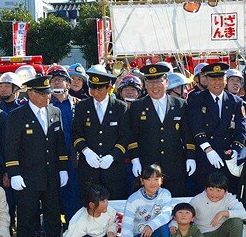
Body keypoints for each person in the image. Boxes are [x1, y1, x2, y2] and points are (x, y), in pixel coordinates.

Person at [4, 75, 69, 237]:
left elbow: (60, 144)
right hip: (27, 177)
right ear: (31, 94)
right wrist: (14, 172)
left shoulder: (55, 111)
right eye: (42, 94)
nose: (47, 97)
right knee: (26, 219)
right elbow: (11, 146)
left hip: (50, 175)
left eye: (48, 93)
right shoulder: (17, 115)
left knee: (53, 216)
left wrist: (63, 168)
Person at [126, 63, 195, 197]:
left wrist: (190, 157)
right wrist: (135, 159)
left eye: (158, 81)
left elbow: (187, 135)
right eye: (150, 82)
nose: (155, 86)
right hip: (148, 167)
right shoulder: (137, 106)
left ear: (166, 82)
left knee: (176, 205)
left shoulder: (180, 104)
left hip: (174, 166)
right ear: (145, 85)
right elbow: (132, 136)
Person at [72, 65, 131, 201]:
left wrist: (112, 156)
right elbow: (76, 133)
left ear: (108, 88)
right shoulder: (82, 106)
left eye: (99, 88)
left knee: (114, 206)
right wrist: (86, 151)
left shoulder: (120, 107)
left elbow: (125, 137)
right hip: (89, 169)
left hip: (114, 168)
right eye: (92, 88)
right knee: (90, 205)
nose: (95, 92)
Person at [187, 62, 246, 194]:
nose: (217, 82)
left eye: (220, 78)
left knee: (227, 192)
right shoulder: (197, 99)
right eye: (213, 79)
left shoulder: (235, 101)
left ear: (226, 80)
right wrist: (208, 150)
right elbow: (196, 126)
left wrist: (235, 150)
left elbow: (241, 130)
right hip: (205, 154)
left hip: (227, 154)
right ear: (206, 80)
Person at [187, 171, 246, 237]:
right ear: (206, 189)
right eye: (211, 189)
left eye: (219, 190)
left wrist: (223, 213)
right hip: (204, 234)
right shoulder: (197, 200)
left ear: (225, 191)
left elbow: (243, 214)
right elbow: (185, 214)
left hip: (221, 232)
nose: (214, 194)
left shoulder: (229, 198)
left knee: (237, 222)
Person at [119, 164, 173, 237]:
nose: (153, 183)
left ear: (161, 180)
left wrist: (150, 226)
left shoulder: (165, 194)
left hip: (155, 234)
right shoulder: (133, 199)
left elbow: (166, 214)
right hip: (138, 236)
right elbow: (127, 226)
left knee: (163, 229)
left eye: (156, 179)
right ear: (142, 181)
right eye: (148, 179)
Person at [49, 66, 81, 223]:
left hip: (73, 162)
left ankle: (72, 236)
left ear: (68, 84)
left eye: (60, 80)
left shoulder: (79, 105)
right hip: (51, 162)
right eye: (52, 80)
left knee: (73, 202)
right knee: (52, 203)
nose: (56, 83)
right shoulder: (43, 105)